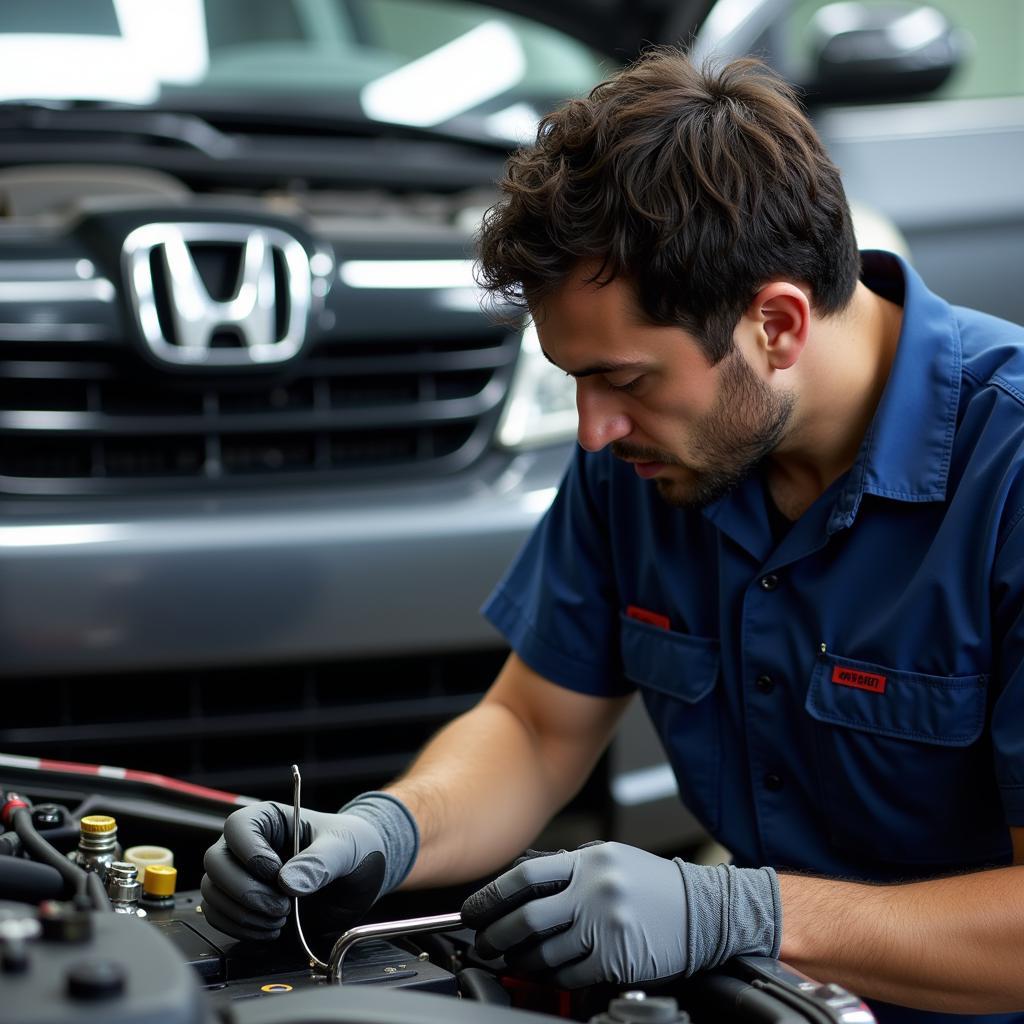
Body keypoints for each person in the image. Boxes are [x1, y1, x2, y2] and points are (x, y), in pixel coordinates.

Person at [200, 50, 1024, 1024]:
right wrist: (383, 831)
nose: (591, 430)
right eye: (576, 381)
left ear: (776, 324)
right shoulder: (652, 452)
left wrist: (737, 908)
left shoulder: (1004, 471)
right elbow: (535, 728)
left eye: (626, 381)